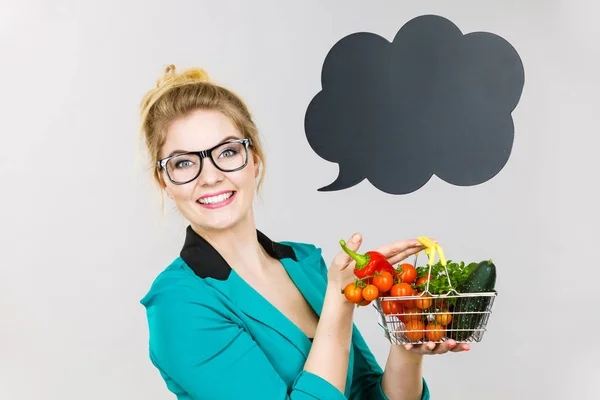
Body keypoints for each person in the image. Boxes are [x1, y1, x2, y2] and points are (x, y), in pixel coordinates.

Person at [138, 65, 469, 400]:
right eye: (183, 163)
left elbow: (366, 394)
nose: (210, 176)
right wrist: (341, 300)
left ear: (254, 160)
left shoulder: (304, 264)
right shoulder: (179, 303)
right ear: (164, 182)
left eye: (227, 152)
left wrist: (408, 345)